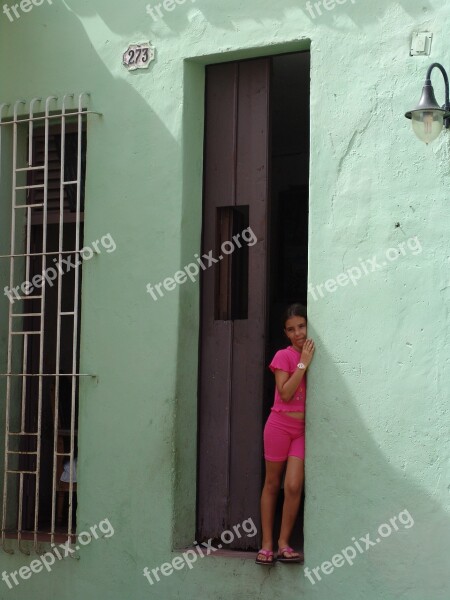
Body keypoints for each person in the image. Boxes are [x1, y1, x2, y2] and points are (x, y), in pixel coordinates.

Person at [255, 303, 315, 565]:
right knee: (272, 483)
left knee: (293, 485)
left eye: (301, 326)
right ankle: (267, 544)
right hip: (279, 426)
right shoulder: (284, 356)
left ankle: (284, 543)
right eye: (291, 329)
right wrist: (302, 364)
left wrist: (308, 360)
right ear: (286, 333)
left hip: (301, 431)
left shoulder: (314, 355)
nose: (298, 333)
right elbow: (287, 393)